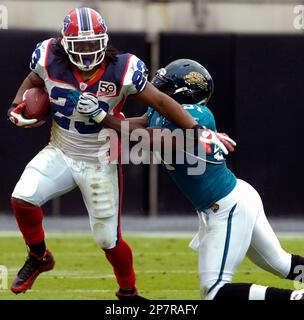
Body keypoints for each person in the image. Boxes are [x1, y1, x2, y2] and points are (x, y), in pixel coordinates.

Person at [7, 8, 234, 299]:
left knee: (108, 239)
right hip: (61, 150)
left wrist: (197, 129)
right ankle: (39, 256)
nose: (87, 52)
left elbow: (162, 102)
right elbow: (32, 81)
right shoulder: (48, 56)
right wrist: (16, 106)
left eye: (93, 44)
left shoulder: (123, 69)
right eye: (80, 45)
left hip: (100, 159)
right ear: (65, 44)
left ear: (104, 42)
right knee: (22, 197)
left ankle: (128, 292)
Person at [99, 59, 304, 300]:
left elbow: (152, 137)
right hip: (233, 198)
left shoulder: (199, 115)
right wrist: (99, 122)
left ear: (183, 92)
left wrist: (103, 118)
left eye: (164, 87)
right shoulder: (160, 110)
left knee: (214, 290)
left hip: (227, 206)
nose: (157, 91)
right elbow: (141, 123)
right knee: (280, 263)